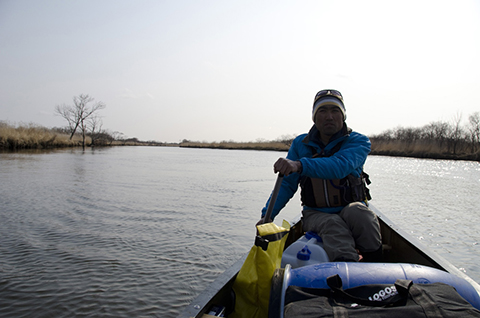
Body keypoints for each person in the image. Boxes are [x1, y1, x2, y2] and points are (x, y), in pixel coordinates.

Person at [258, 89, 383, 262]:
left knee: (361, 214)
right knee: (332, 224)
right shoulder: (300, 144)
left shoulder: (358, 141)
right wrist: (267, 215)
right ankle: (347, 269)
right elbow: (287, 185)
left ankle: (374, 262)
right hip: (315, 214)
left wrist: (299, 164)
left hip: (351, 209)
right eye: (322, 111)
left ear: (343, 116)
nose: (329, 116)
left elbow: (339, 166)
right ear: (314, 118)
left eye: (335, 111)